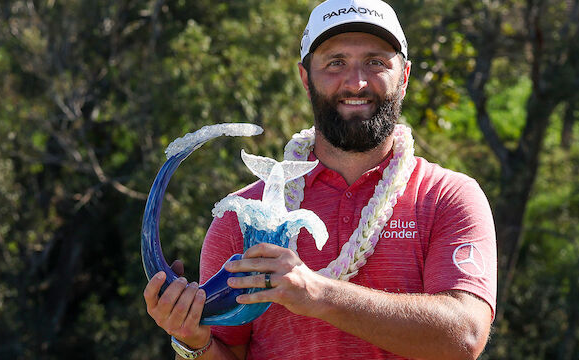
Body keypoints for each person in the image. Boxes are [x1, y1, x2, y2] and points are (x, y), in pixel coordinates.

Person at [143, 0, 497, 359]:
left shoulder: (448, 197)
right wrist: (192, 341)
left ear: (404, 77)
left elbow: (465, 336)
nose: (356, 83)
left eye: (376, 62)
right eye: (335, 62)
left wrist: (316, 294)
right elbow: (227, 353)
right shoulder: (243, 216)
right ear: (305, 78)